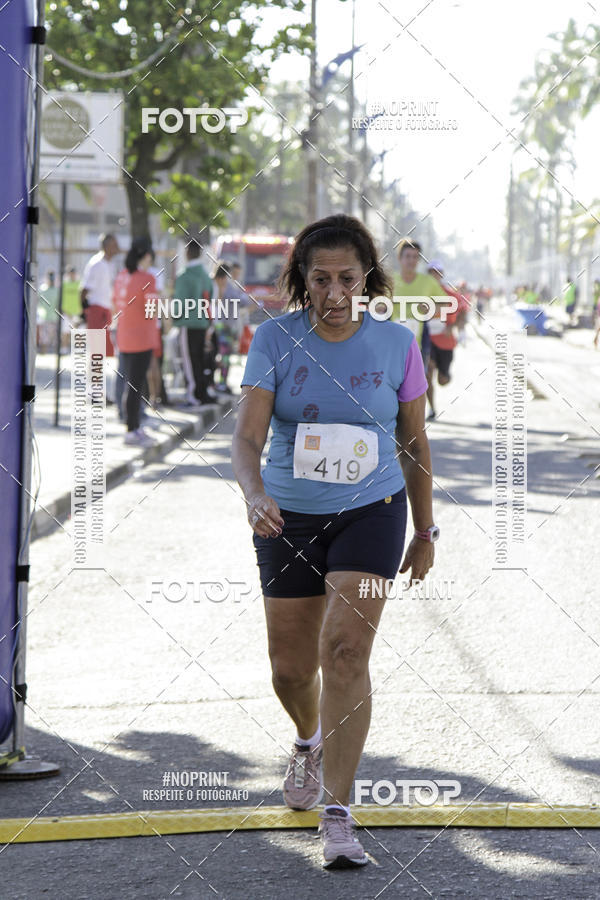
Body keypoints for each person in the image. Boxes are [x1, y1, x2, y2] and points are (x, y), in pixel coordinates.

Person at [232, 214, 437, 869]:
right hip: (287, 517)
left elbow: (413, 442)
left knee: (346, 652)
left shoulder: (397, 343)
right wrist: (254, 493)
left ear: (367, 280)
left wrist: (425, 528)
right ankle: (307, 738)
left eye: (347, 277)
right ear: (303, 281)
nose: (334, 291)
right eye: (320, 278)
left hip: (374, 511)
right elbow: (245, 440)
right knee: (291, 670)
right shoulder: (274, 338)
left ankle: (339, 815)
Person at [112, 237, 160, 447]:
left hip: (124, 336)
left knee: (128, 383)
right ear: (147, 256)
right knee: (136, 385)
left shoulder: (122, 276)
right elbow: (152, 310)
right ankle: (132, 429)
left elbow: (115, 304)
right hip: (142, 338)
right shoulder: (148, 278)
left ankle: (133, 426)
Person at [170, 240, 213, 406]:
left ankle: (192, 394)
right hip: (202, 323)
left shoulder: (184, 275)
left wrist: (175, 319)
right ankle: (202, 392)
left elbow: (179, 302)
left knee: (189, 360)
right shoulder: (205, 275)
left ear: (187, 252)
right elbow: (209, 297)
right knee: (200, 360)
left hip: (188, 323)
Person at [426, 260, 468, 420]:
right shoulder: (421, 294)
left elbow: (464, 312)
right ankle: (431, 408)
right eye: (431, 272)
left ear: (442, 274)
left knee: (442, 380)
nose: (434, 275)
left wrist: (452, 327)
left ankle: (445, 374)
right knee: (427, 372)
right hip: (427, 340)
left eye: (437, 272)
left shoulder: (450, 295)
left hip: (445, 341)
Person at [393, 239, 441, 365]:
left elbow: (446, 303)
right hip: (392, 345)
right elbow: (373, 302)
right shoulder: (389, 280)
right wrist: (380, 308)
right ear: (399, 258)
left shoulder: (428, 281)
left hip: (418, 344)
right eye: (408, 256)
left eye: (415, 257)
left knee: (416, 384)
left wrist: (432, 308)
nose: (411, 260)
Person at [81, 234, 120, 356]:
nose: (117, 248)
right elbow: (84, 290)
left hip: (106, 310)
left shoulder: (110, 264)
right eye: (114, 245)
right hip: (96, 310)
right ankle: (93, 375)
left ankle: (97, 375)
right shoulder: (96, 263)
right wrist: (84, 313)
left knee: (105, 351)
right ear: (106, 246)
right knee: (97, 350)